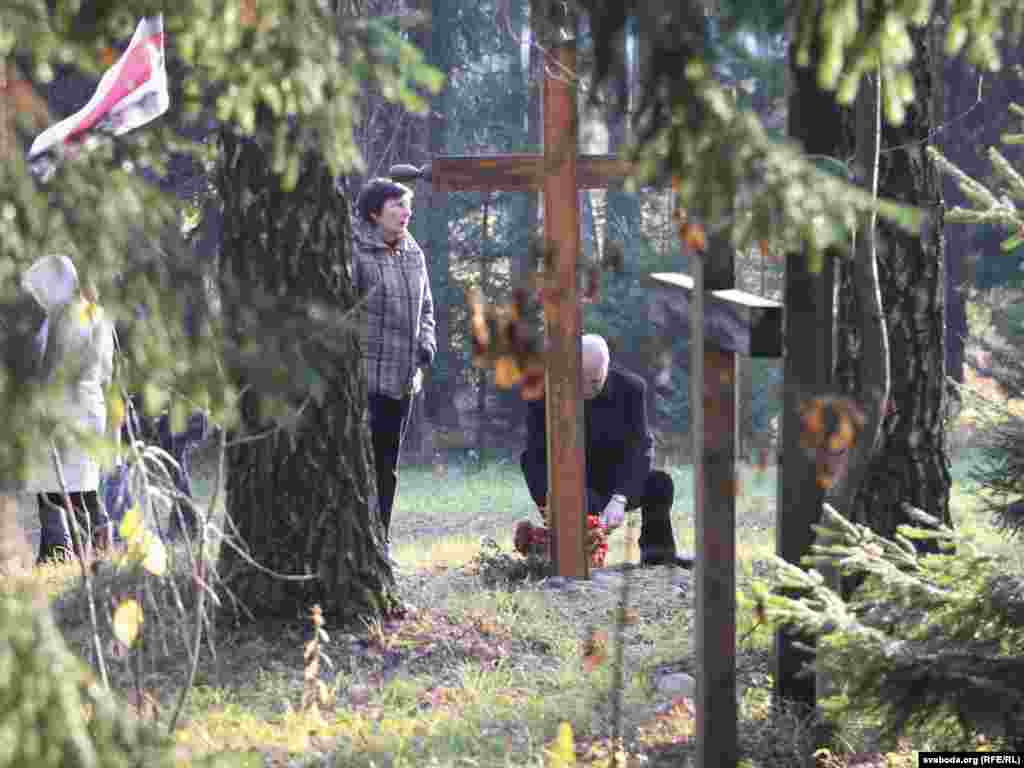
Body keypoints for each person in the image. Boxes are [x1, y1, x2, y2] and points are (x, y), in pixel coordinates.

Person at [520, 334, 692, 568]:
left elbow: (640, 448)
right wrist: (547, 506)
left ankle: (658, 557)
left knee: (660, 484)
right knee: (582, 500)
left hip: (616, 480)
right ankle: (581, 560)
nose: (588, 389)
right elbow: (532, 457)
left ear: (607, 368)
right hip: (573, 483)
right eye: (581, 380)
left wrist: (620, 497)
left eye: (595, 381)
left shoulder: (631, 388)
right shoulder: (544, 394)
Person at [353, 178, 436, 556]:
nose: (406, 213)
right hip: (363, 380)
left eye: (407, 207)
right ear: (375, 213)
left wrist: (426, 345)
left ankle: (380, 544)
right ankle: (354, 542)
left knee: (388, 467)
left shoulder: (413, 251)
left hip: (403, 381)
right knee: (360, 466)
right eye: (397, 207)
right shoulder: (356, 252)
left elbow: (428, 309)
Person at [22, 254, 115, 563]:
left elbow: (49, 368)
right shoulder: (97, 314)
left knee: (61, 487)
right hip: (91, 408)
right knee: (79, 484)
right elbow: (106, 370)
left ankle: (65, 547)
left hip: (65, 410)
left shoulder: (62, 320)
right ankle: (80, 545)